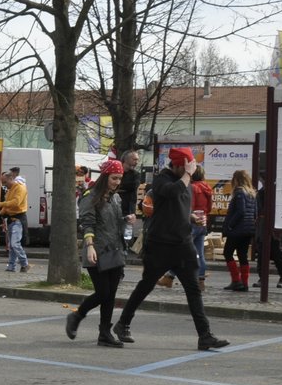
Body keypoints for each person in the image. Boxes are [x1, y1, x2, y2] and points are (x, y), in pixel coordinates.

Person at [112, 147, 228, 350]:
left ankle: (205, 336)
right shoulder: (161, 180)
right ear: (175, 166)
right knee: (146, 285)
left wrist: (192, 217)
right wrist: (188, 174)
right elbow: (172, 193)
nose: (187, 172)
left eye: (188, 169)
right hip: (160, 245)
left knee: (193, 289)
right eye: (184, 168)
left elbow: (179, 208)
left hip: (183, 244)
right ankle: (122, 323)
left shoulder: (186, 182)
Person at [66, 159, 129, 347]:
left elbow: (116, 224)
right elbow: (87, 223)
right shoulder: (90, 196)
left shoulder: (115, 197)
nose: (117, 182)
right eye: (114, 178)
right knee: (102, 293)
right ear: (105, 176)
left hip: (115, 250)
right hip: (97, 250)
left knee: (111, 295)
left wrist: (127, 220)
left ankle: (104, 333)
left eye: (120, 178)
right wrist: (90, 245)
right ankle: (77, 316)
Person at [220, 170, 257, 292]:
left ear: (236, 179)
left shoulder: (239, 192)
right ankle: (244, 283)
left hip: (237, 229)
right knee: (242, 255)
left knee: (227, 253)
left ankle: (236, 281)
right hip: (248, 229)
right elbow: (255, 213)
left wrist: (230, 225)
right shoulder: (252, 194)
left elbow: (240, 211)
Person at [0, 166, 29, 273]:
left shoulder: (20, 188)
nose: (4, 185)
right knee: (11, 246)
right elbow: (7, 206)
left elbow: (16, 203)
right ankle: (11, 266)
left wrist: (1, 204)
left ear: (11, 179)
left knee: (15, 244)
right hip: (11, 219)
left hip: (18, 219)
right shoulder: (10, 190)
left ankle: (25, 263)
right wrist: (0, 215)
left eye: (5, 182)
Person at [188, 165, 213, 287]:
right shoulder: (207, 187)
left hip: (193, 222)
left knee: (181, 249)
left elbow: (189, 206)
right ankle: (201, 279)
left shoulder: (192, 187)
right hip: (203, 222)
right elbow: (209, 208)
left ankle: (170, 276)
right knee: (200, 253)